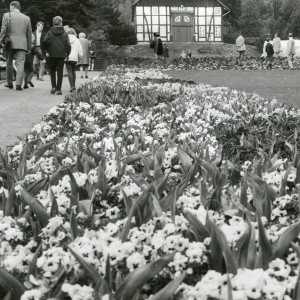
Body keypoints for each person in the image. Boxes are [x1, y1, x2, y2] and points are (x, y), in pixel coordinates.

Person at [0, 1, 32, 90]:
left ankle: (9, 83)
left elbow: (3, 30)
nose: (9, 9)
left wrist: (0, 41)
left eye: (10, 7)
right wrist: (29, 47)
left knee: (9, 62)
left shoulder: (6, 15)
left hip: (9, 43)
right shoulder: (27, 18)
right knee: (20, 64)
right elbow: (29, 34)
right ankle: (18, 85)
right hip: (22, 43)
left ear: (13, 6)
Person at [42, 16, 71, 95]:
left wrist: (47, 50)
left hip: (51, 54)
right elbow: (68, 45)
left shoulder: (50, 32)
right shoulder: (64, 33)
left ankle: (53, 87)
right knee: (60, 72)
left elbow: (44, 41)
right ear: (61, 23)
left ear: (53, 23)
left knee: (52, 71)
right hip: (61, 54)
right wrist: (67, 53)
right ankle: (59, 89)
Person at [65, 28, 83, 92]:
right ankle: (74, 86)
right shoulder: (77, 40)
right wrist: (80, 57)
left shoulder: (65, 39)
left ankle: (71, 86)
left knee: (69, 71)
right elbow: (80, 49)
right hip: (75, 57)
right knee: (73, 71)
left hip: (67, 57)